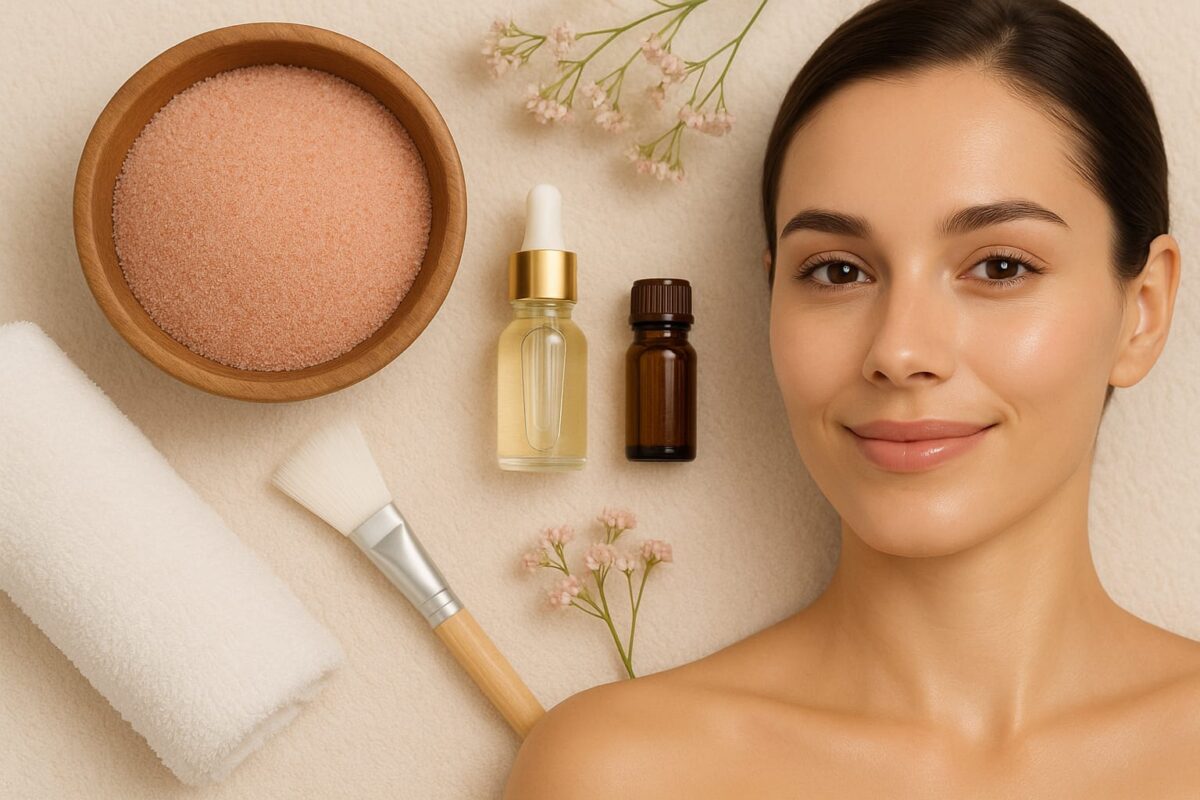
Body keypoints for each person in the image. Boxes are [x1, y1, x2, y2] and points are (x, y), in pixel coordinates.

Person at [503, 0, 1197, 795]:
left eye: (1000, 267)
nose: (899, 352)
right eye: (838, 272)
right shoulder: (620, 771)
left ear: (1142, 313)